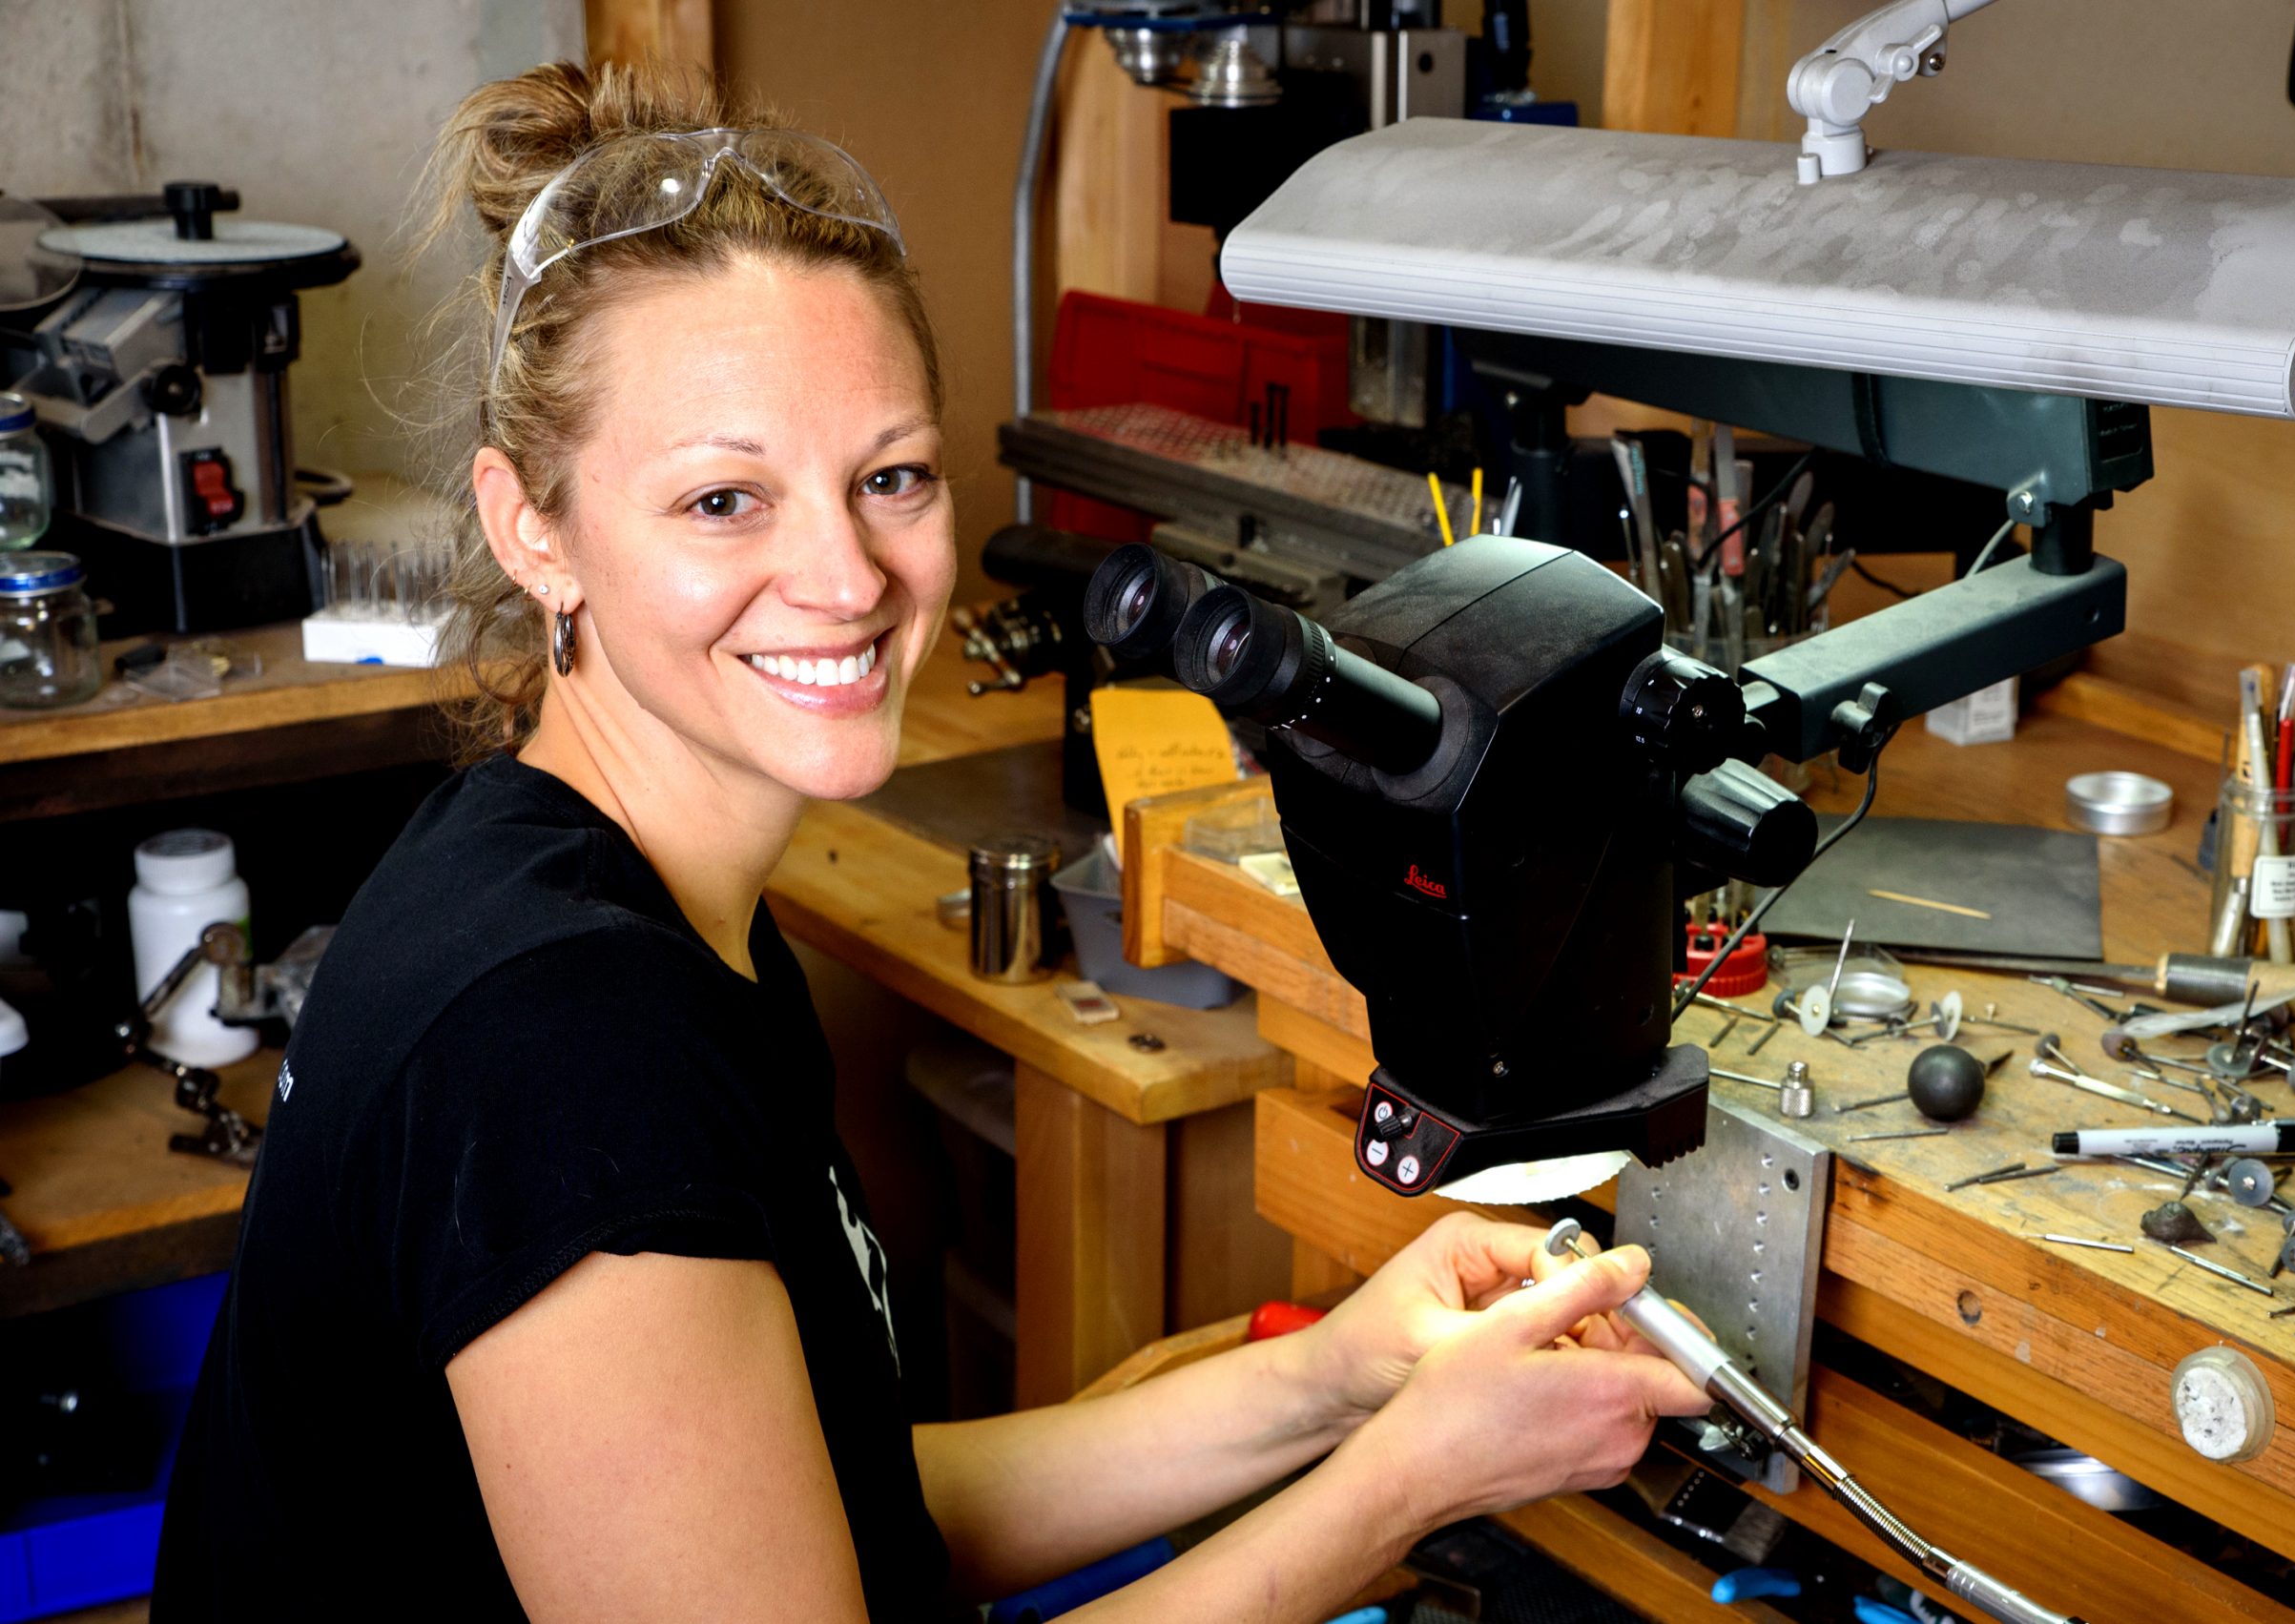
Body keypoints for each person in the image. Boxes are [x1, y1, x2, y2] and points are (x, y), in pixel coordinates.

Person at [151, 62, 1707, 1623]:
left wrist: (1338, 1381)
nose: (845, 579)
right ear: (530, 528)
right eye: (722, 501)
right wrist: (1409, 1486)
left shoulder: (613, 893)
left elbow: (842, 1518)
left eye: (888, 478)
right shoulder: (563, 1046)